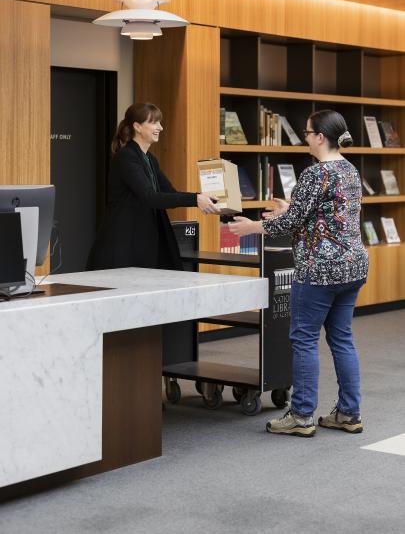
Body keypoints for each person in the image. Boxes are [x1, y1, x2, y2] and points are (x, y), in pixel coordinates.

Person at [229, 109, 368, 438]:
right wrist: (288, 208)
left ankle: (302, 416)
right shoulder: (349, 169)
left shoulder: (314, 173)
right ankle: (349, 413)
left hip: (319, 271)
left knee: (304, 339)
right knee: (342, 339)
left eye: (307, 133)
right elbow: (327, 213)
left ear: (320, 137)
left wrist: (254, 226)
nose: (304, 138)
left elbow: (291, 224)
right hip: (353, 266)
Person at [87, 102, 220, 272]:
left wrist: (203, 197)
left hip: (143, 237)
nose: (161, 127)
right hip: (125, 241)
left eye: (160, 122)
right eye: (154, 122)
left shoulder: (149, 158)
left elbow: (169, 193)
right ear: (137, 127)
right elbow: (150, 197)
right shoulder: (126, 157)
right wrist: (195, 199)